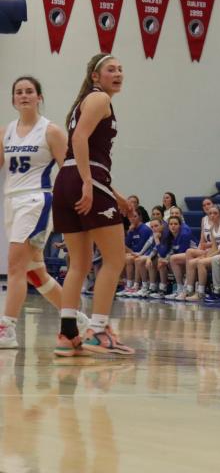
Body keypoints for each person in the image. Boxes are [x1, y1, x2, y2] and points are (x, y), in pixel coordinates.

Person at [51, 54, 134, 356]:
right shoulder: (99, 99)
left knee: (79, 264)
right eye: (111, 69)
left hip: (68, 180)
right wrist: (89, 182)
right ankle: (98, 329)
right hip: (87, 180)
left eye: (121, 68)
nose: (118, 73)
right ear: (96, 77)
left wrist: (115, 191)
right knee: (114, 260)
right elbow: (81, 139)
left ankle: (67, 332)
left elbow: (80, 153)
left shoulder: (86, 101)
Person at [0, 76, 89, 348]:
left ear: (39, 97)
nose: (24, 95)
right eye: (19, 92)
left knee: (15, 265)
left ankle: (7, 329)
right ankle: (76, 319)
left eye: (29, 91)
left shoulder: (50, 131)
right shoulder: (7, 131)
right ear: (13, 99)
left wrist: (73, 204)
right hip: (12, 201)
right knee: (34, 272)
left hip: (36, 201)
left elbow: (68, 170)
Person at [184, 203, 220, 302]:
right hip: (217, 253)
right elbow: (214, 247)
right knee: (192, 262)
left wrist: (206, 257)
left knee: (201, 263)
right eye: (210, 213)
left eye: (215, 213)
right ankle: (189, 290)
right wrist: (207, 255)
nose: (212, 215)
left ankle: (201, 293)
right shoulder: (212, 227)